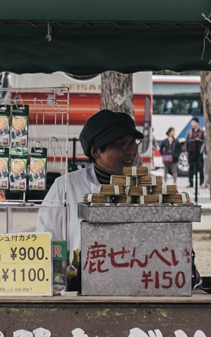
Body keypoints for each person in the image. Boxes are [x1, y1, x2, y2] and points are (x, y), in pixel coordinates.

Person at [38, 108, 143, 260]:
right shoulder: (65, 187)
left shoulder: (149, 189)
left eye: (133, 142)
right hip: (79, 280)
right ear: (96, 152)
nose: (132, 151)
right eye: (122, 144)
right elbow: (46, 238)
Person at [186, 121, 205, 192]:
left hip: (199, 153)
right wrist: (186, 150)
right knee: (191, 168)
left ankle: (201, 182)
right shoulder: (190, 132)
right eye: (192, 123)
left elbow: (204, 141)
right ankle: (191, 183)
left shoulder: (201, 132)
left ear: (197, 123)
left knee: (200, 168)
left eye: (194, 123)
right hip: (191, 152)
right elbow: (186, 141)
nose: (192, 124)